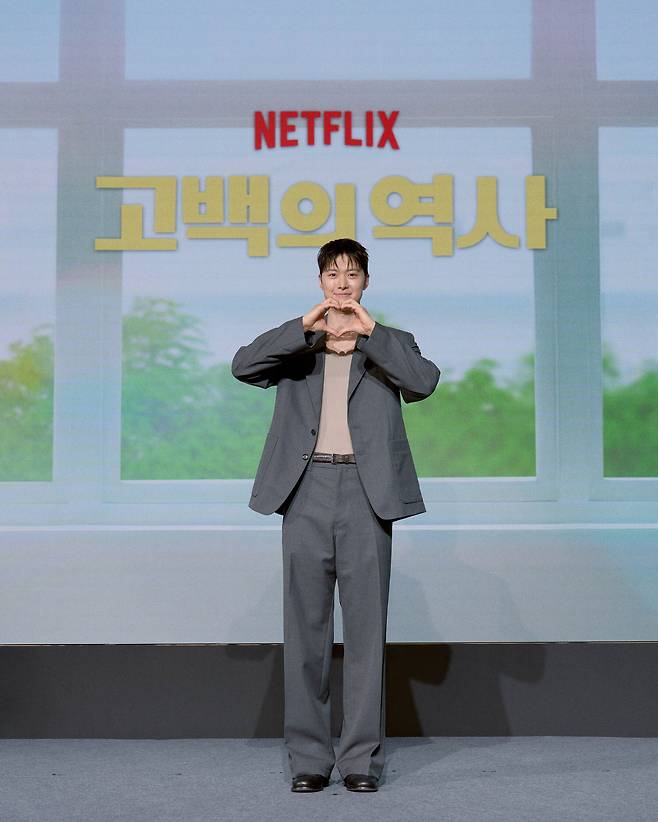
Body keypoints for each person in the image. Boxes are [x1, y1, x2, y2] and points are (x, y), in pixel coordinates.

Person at [231, 238, 440, 793]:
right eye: (332, 274)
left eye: (352, 274)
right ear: (319, 282)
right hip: (306, 490)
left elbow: (423, 382)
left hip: (368, 493)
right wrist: (304, 325)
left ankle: (359, 761)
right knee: (305, 631)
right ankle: (308, 758)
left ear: (366, 281)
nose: (342, 283)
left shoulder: (391, 344)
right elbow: (242, 366)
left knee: (367, 634)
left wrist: (373, 333)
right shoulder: (299, 346)